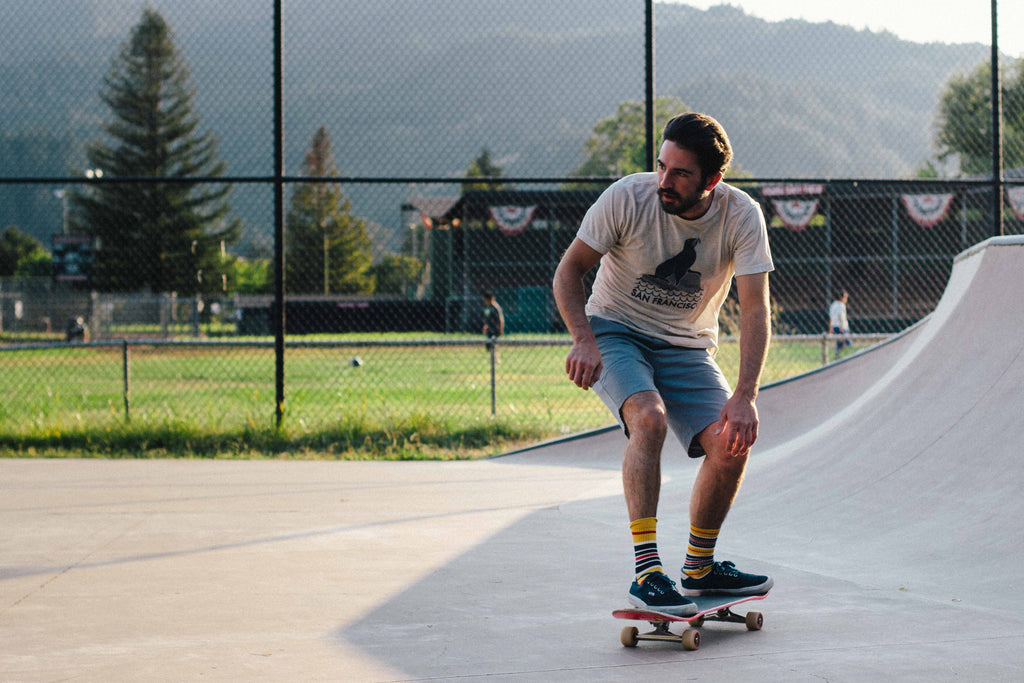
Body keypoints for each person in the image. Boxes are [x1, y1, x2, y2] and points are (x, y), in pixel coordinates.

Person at [553, 112, 774, 617]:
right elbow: (569, 270)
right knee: (647, 419)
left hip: (686, 346)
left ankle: (698, 567)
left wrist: (746, 395)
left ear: (713, 181)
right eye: (661, 166)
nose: (664, 182)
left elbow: (756, 308)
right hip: (614, 329)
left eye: (680, 174)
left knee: (732, 441)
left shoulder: (741, 216)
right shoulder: (627, 198)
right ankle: (648, 574)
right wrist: (583, 339)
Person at [481, 290, 504, 356]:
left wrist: (501, 329)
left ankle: (495, 359)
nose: (485, 302)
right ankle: (494, 359)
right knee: (488, 346)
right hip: (489, 329)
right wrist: (485, 326)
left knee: (493, 344)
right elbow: (486, 318)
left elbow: (501, 319)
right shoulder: (487, 307)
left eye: (486, 300)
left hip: (495, 329)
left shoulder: (495, 307)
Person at [829, 290, 851, 357]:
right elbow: (841, 317)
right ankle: (844, 354)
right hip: (842, 327)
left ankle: (838, 353)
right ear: (841, 298)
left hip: (834, 326)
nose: (846, 300)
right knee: (847, 342)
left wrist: (831, 327)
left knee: (838, 342)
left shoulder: (833, 305)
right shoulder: (842, 305)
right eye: (845, 298)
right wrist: (842, 327)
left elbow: (831, 317)